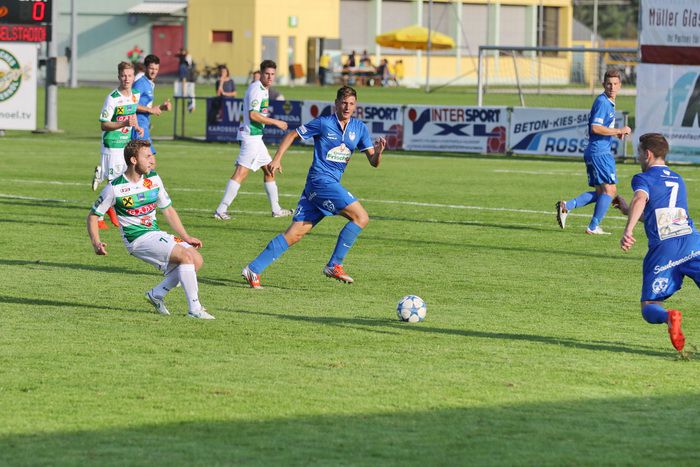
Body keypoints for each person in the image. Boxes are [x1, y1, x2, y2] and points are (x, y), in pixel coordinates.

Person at [240, 86, 386, 288]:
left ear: (355, 106)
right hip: (320, 181)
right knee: (361, 217)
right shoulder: (324, 123)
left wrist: (378, 153)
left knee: (294, 234)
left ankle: (253, 269)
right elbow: (292, 135)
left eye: (351, 104)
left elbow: (374, 162)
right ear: (336, 103)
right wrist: (277, 158)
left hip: (322, 186)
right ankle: (334, 265)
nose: (347, 107)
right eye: (344, 103)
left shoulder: (359, 128)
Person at [87, 140, 214, 320]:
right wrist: (96, 243)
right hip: (137, 239)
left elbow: (168, 210)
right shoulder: (115, 188)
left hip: (154, 232)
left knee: (196, 260)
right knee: (185, 257)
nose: (152, 160)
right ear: (133, 160)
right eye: (147, 156)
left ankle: (156, 294)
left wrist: (186, 236)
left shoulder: (153, 179)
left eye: (152, 156)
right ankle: (195, 309)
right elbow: (93, 215)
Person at [619, 133, 698, 352]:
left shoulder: (643, 178)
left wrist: (628, 229)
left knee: (650, 305)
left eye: (638, 153)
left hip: (665, 248)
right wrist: (628, 211)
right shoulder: (678, 178)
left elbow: (640, 198)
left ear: (647, 154)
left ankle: (669, 317)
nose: (638, 158)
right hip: (693, 243)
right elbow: (662, 215)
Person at [213, 60, 292, 220]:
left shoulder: (263, 89)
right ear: (261, 73)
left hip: (255, 137)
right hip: (251, 138)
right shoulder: (257, 89)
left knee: (269, 170)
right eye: (267, 74)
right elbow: (253, 115)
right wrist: (275, 122)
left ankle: (276, 209)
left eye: (272, 74)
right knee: (241, 173)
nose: (270, 77)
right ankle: (221, 210)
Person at [556, 69, 632, 234]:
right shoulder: (603, 102)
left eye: (615, 84)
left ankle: (566, 206)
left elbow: (601, 128)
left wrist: (615, 133)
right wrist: (619, 130)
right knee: (610, 191)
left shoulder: (607, 102)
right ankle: (593, 227)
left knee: (601, 192)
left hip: (595, 150)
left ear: (620, 85)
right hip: (600, 152)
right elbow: (595, 128)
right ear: (603, 84)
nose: (612, 87)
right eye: (609, 84)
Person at [92, 61, 143, 230]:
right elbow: (104, 124)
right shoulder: (112, 98)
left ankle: (113, 210)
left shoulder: (135, 95)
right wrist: (124, 124)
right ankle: (99, 217)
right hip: (112, 145)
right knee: (115, 184)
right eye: (123, 76)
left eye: (129, 75)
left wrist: (136, 127)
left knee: (125, 180)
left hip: (125, 145)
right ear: (119, 77)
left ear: (133, 77)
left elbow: (132, 115)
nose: (126, 79)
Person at [132, 54, 172, 156]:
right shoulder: (140, 83)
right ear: (145, 68)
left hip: (144, 125)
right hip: (139, 126)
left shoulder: (149, 84)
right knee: (148, 159)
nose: (154, 72)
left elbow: (147, 107)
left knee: (145, 160)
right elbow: (130, 105)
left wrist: (162, 107)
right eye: (151, 68)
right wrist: (150, 110)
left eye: (156, 69)